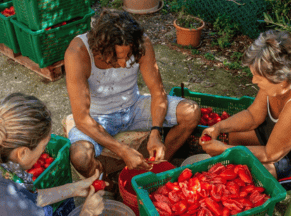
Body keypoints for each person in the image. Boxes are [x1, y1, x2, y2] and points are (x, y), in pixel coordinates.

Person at [64, 8, 200, 186]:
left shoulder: (141, 43)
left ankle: (156, 168)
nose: (123, 63)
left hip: (134, 106)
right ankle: (106, 183)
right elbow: (81, 119)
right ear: (99, 48)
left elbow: (157, 92)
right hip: (97, 117)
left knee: (192, 113)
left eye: (128, 56)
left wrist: (155, 133)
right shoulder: (77, 53)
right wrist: (122, 150)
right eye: (116, 57)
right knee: (80, 157)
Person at [200, 30, 291, 191]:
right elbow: (253, 116)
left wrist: (225, 150)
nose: (254, 81)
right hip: (277, 141)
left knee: (255, 175)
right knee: (233, 136)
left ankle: (260, 211)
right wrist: (219, 127)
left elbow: (271, 155)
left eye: (258, 78)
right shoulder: (278, 80)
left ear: (282, 80)